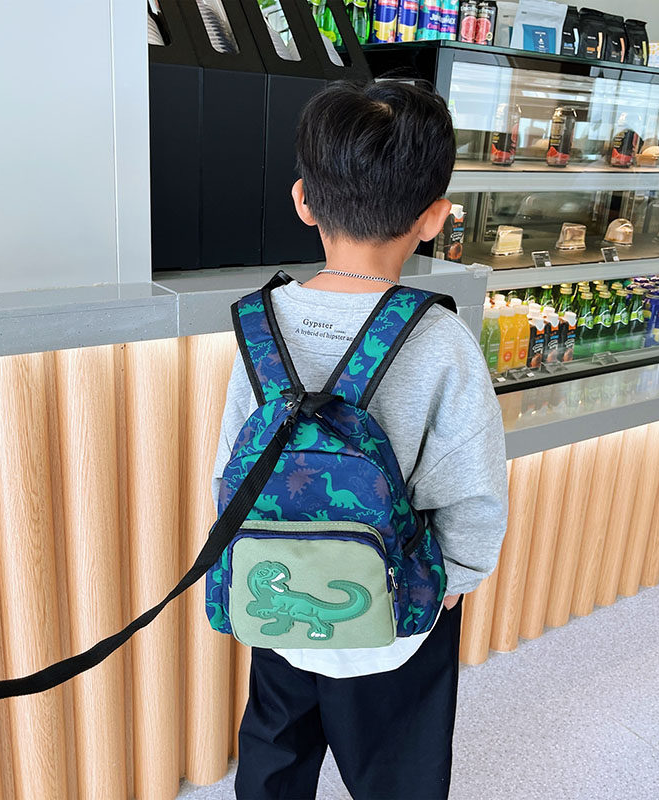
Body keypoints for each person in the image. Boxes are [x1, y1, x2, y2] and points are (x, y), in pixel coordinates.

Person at [212, 79, 508, 800]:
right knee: (397, 775)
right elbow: (471, 489)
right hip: (395, 618)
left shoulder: (261, 324)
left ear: (303, 200)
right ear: (434, 217)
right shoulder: (440, 339)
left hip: (278, 609)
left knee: (274, 758)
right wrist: (454, 582)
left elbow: (230, 469)